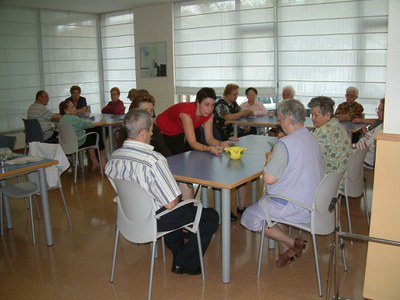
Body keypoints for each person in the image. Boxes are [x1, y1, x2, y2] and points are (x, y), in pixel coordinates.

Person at [105, 109, 219, 275]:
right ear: (143, 133)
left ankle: (179, 251)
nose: (152, 134)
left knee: (172, 210)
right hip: (155, 219)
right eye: (151, 130)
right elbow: (171, 203)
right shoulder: (154, 160)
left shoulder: (113, 158)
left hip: (128, 217)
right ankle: (185, 262)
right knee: (209, 216)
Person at [241, 99, 323, 267]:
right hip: (314, 200)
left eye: (279, 119)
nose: (279, 123)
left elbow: (269, 178)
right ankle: (285, 251)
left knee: (249, 217)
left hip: (295, 205)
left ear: (286, 118)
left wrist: (269, 160)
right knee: (270, 205)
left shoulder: (285, 143)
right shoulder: (310, 136)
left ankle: (293, 242)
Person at [156, 87, 231, 156]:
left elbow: (209, 139)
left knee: (178, 157)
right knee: (168, 158)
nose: (210, 109)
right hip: (161, 130)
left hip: (177, 130)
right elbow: (192, 143)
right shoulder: (186, 114)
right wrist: (209, 148)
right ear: (198, 102)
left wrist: (222, 143)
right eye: (206, 104)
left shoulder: (209, 115)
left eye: (212, 105)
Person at [308, 96, 352, 175]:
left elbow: (305, 155)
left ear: (327, 115)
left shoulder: (322, 134)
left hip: (329, 182)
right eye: (311, 115)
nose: (312, 118)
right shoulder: (336, 124)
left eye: (316, 115)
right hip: (342, 178)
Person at [119, 90, 172, 157]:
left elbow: (164, 151)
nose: (149, 114)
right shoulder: (128, 130)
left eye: (151, 110)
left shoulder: (155, 129)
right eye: (145, 111)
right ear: (135, 111)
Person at [59, 99, 106, 171]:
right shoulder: (73, 118)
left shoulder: (62, 119)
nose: (74, 108)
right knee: (98, 132)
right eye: (72, 107)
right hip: (79, 142)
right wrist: (100, 123)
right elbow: (86, 124)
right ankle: (103, 164)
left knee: (90, 133)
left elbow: (83, 125)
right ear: (66, 110)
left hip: (67, 144)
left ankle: (95, 162)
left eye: (73, 106)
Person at [354, 98, 385, 167]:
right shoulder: (381, 125)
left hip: (367, 160)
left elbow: (367, 145)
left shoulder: (383, 129)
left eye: (382, 110)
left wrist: (352, 146)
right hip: (364, 154)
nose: (378, 112)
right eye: (378, 109)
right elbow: (366, 138)